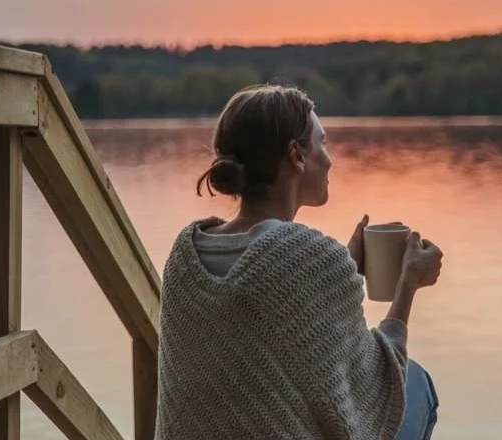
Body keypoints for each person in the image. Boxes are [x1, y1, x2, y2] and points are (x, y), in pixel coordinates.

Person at [155, 84, 442, 440]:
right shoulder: (308, 257)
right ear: (296, 155)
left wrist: (343, 272)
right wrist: (408, 283)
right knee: (414, 383)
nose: (330, 158)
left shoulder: (184, 256)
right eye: (322, 142)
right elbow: (374, 392)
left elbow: (265, 340)